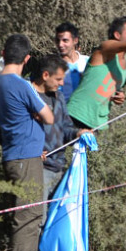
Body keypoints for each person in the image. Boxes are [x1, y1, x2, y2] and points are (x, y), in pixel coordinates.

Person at [0, 35, 53, 251]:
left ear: (3, 53)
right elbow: (49, 116)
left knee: (22, 210)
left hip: (13, 153)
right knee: (29, 214)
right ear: (27, 58)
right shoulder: (21, 84)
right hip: (26, 155)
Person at [33, 54, 87, 201]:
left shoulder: (59, 97)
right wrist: (31, 151)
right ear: (45, 75)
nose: (62, 83)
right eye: (58, 79)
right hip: (38, 169)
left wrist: (78, 133)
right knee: (38, 219)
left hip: (59, 167)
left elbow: (66, 127)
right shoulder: (28, 95)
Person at [54, 22, 89, 102]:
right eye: (58, 40)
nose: (60, 44)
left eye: (65, 40)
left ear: (75, 40)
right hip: (63, 112)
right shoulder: (53, 65)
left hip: (84, 111)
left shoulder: (88, 62)